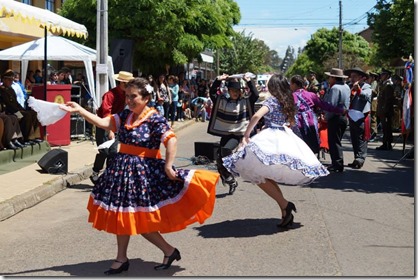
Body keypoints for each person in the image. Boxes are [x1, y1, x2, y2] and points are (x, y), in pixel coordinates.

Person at [59, 77, 219, 274]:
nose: (129, 100)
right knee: (122, 215)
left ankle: (167, 250)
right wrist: (79, 110)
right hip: (121, 172)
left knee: (140, 219)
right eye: (127, 96)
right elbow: (103, 122)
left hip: (143, 175)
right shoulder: (125, 115)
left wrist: (169, 166)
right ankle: (123, 258)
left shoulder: (155, 118)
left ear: (146, 97)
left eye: (133, 96)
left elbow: (171, 141)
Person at [222, 74, 329, 227]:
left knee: (258, 175)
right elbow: (292, 122)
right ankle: (285, 210)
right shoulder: (288, 101)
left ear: (273, 87)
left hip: (271, 136)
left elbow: (257, 116)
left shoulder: (272, 100)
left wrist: (246, 134)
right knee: (264, 175)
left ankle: (285, 204)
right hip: (283, 135)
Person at [208, 73, 259, 195]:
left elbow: (255, 95)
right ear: (229, 91)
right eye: (232, 90)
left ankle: (233, 173)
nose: (235, 92)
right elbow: (212, 93)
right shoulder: (222, 101)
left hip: (238, 134)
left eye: (237, 90)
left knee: (226, 150)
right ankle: (230, 180)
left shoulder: (245, 101)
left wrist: (248, 81)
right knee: (219, 159)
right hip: (226, 134)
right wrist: (218, 80)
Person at [89, 71, 134, 184]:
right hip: (103, 125)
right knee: (104, 151)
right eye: (127, 84)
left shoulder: (126, 95)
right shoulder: (110, 95)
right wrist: (109, 130)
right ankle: (95, 172)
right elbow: (106, 114)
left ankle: (109, 177)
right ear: (122, 83)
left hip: (115, 125)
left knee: (113, 153)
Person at [290, 75, 346, 155]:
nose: (290, 86)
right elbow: (325, 105)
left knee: (299, 146)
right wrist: (340, 110)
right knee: (310, 146)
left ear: (295, 84)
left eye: (291, 84)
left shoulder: (292, 96)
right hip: (310, 122)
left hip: (297, 123)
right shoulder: (311, 95)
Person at [322, 68, 351, 172]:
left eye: (330, 77)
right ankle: (337, 163)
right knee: (337, 141)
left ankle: (337, 164)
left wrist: (326, 117)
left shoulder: (335, 88)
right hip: (343, 117)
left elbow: (331, 105)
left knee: (334, 141)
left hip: (335, 117)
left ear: (334, 77)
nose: (328, 79)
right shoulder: (346, 87)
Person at [0, 69, 39, 145]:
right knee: (26, 115)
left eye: (12, 80)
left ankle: (34, 136)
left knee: (33, 113)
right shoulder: (2, 90)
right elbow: (8, 105)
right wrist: (19, 111)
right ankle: (25, 138)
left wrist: (22, 109)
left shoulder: (11, 90)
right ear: (4, 80)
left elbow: (16, 103)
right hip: (10, 112)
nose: (11, 82)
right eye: (9, 80)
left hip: (16, 110)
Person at [344, 67, 372, 169]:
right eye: (351, 76)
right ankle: (356, 158)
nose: (352, 78)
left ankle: (360, 159)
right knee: (354, 139)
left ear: (361, 78)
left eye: (354, 76)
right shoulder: (349, 86)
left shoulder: (367, 87)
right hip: (352, 116)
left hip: (361, 117)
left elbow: (366, 97)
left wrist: (358, 90)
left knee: (361, 139)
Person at [376, 69, 395, 151]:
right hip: (382, 110)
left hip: (386, 111)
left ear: (387, 75)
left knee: (387, 128)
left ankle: (387, 144)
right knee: (385, 128)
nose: (381, 76)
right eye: (381, 74)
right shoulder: (383, 84)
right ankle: (385, 143)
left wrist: (384, 110)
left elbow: (388, 100)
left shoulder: (388, 85)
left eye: (383, 74)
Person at [367, 71, 379, 141]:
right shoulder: (371, 83)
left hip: (374, 102)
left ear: (373, 77)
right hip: (371, 102)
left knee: (373, 119)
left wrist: (370, 90)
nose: (369, 78)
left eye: (370, 77)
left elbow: (375, 93)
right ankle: (371, 133)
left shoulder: (374, 83)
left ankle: (373, 134)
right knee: (371, 118)